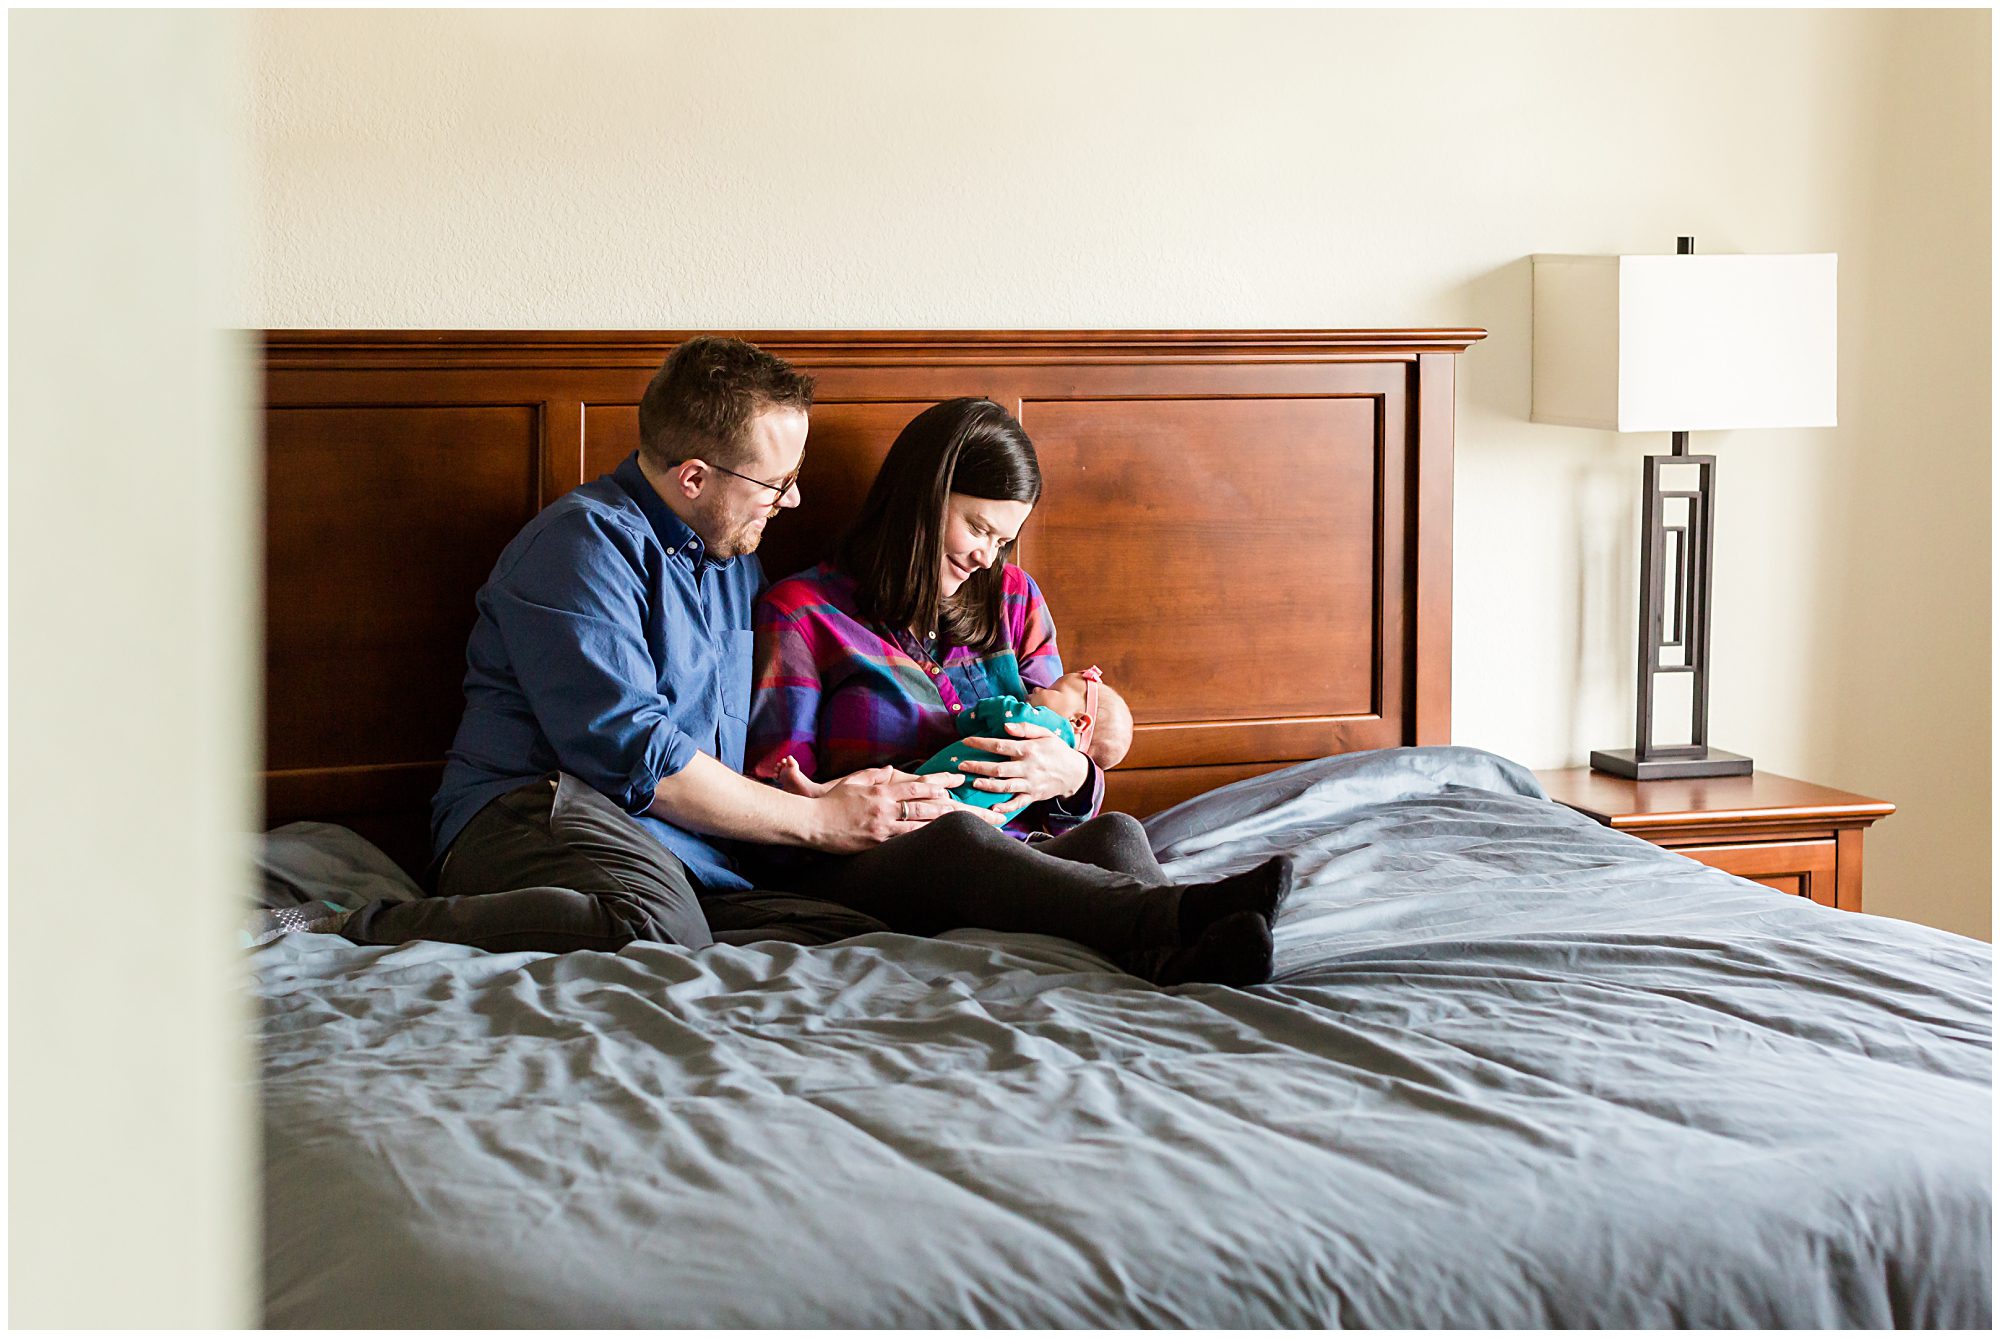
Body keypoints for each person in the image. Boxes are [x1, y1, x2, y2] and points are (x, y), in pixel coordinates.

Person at [252, 335, 974, 954]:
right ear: (693, 477)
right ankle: (361, 926)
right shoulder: (581, 544)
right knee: (657, 928)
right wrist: (816, 822)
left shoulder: (735, 560)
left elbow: (722, 744)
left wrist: (814, 796)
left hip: (675, 842)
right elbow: (637, 758)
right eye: (777, 482)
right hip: (532, 812)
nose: (792, 501)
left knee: (843, 935)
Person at [748, 398, 1290, 986]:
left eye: (1002, 540)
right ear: (921, 500)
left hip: (1017, 851)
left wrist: (1072, 777)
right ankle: (1182, 917)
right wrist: (851, 799)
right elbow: (779, 803)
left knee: (1117, 832)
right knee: (959, 835)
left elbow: (1065, 741)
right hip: (873, 857)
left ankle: (1181, 954)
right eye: (977, 527)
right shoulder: (803, 613)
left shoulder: (1012, 597)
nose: (986, 555)